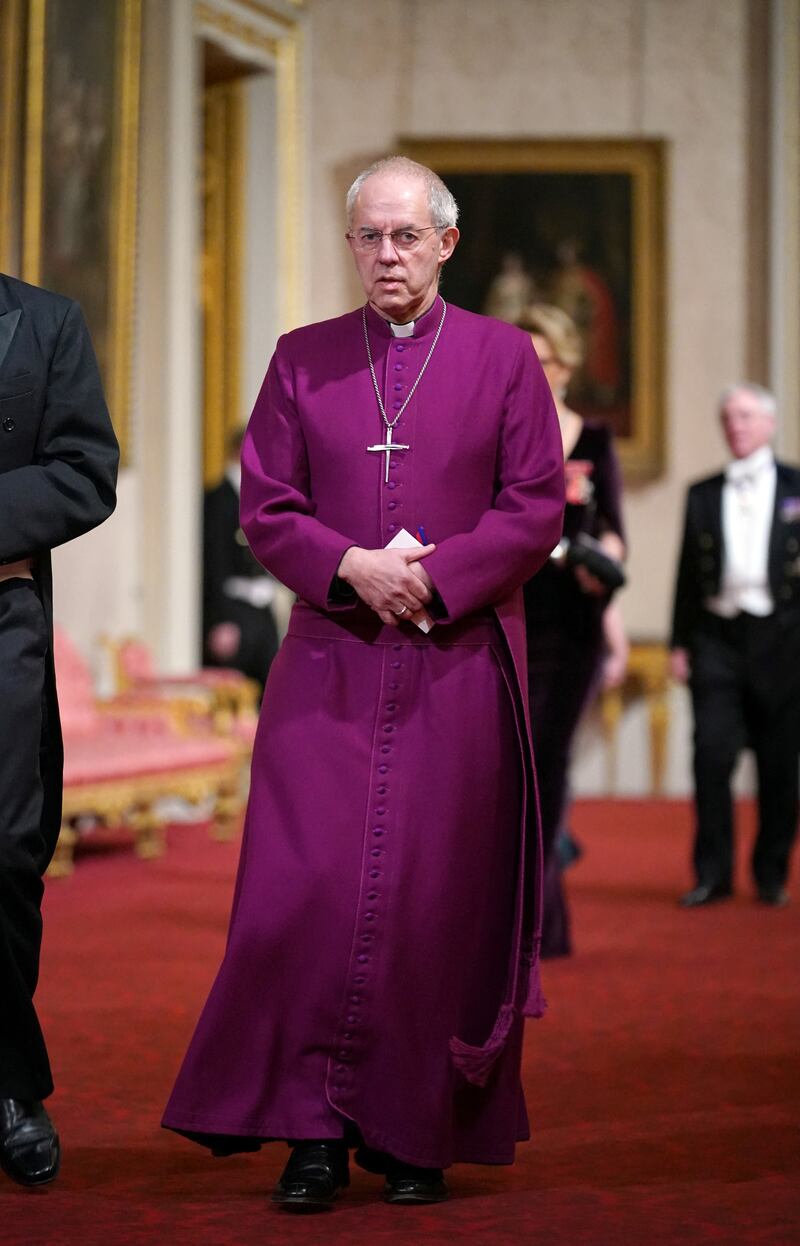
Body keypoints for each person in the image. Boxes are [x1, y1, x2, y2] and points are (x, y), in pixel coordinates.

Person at [163, 156, 564, 1210]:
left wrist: (429, 581)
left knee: (432, 899)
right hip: (329, 666)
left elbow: (532, 508)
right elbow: (265, 502)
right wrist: (350, 567)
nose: (384, 256)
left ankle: (411, 1129)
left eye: (403, 236)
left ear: (444, 242)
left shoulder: (504, 357)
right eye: (366, 238)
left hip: (455, 664)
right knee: (302, 897)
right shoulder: (301, 360)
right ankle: (311, 1136)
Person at [0, 273, 119, 1186]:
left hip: (2, 622)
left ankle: (8, 1082)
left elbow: (86, 472)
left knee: (6, 856)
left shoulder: (47, 322)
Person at [517, 304, 626, 957]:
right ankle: (526, 919)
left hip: (572, 631)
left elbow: (614, 530)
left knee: (548, 767)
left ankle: (540, 923)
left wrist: (603, 561)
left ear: (565, 366)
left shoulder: (594, 441)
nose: (532, 374)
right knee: (510, 773)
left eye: (543, 362)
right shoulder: (498, 437)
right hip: (507, 622)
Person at [670, 383, 800, 908]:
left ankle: (771, 874)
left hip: (784, 639)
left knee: (778, 764)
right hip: (717, 640)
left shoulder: (796, 486)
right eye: (728, 417)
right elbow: (685, 576)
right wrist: (680, 643)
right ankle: (712, 873)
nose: (736, 426)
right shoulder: (702, 492)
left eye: (746, 416)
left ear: (768, 423)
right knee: (711, 757)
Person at [203, 427, 279, 690]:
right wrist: (220, 620)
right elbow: (214, 565)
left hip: (261, 608)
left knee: (271, 687)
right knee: (234, 695)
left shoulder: (258, 498)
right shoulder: (218, 499)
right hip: (232, 611)